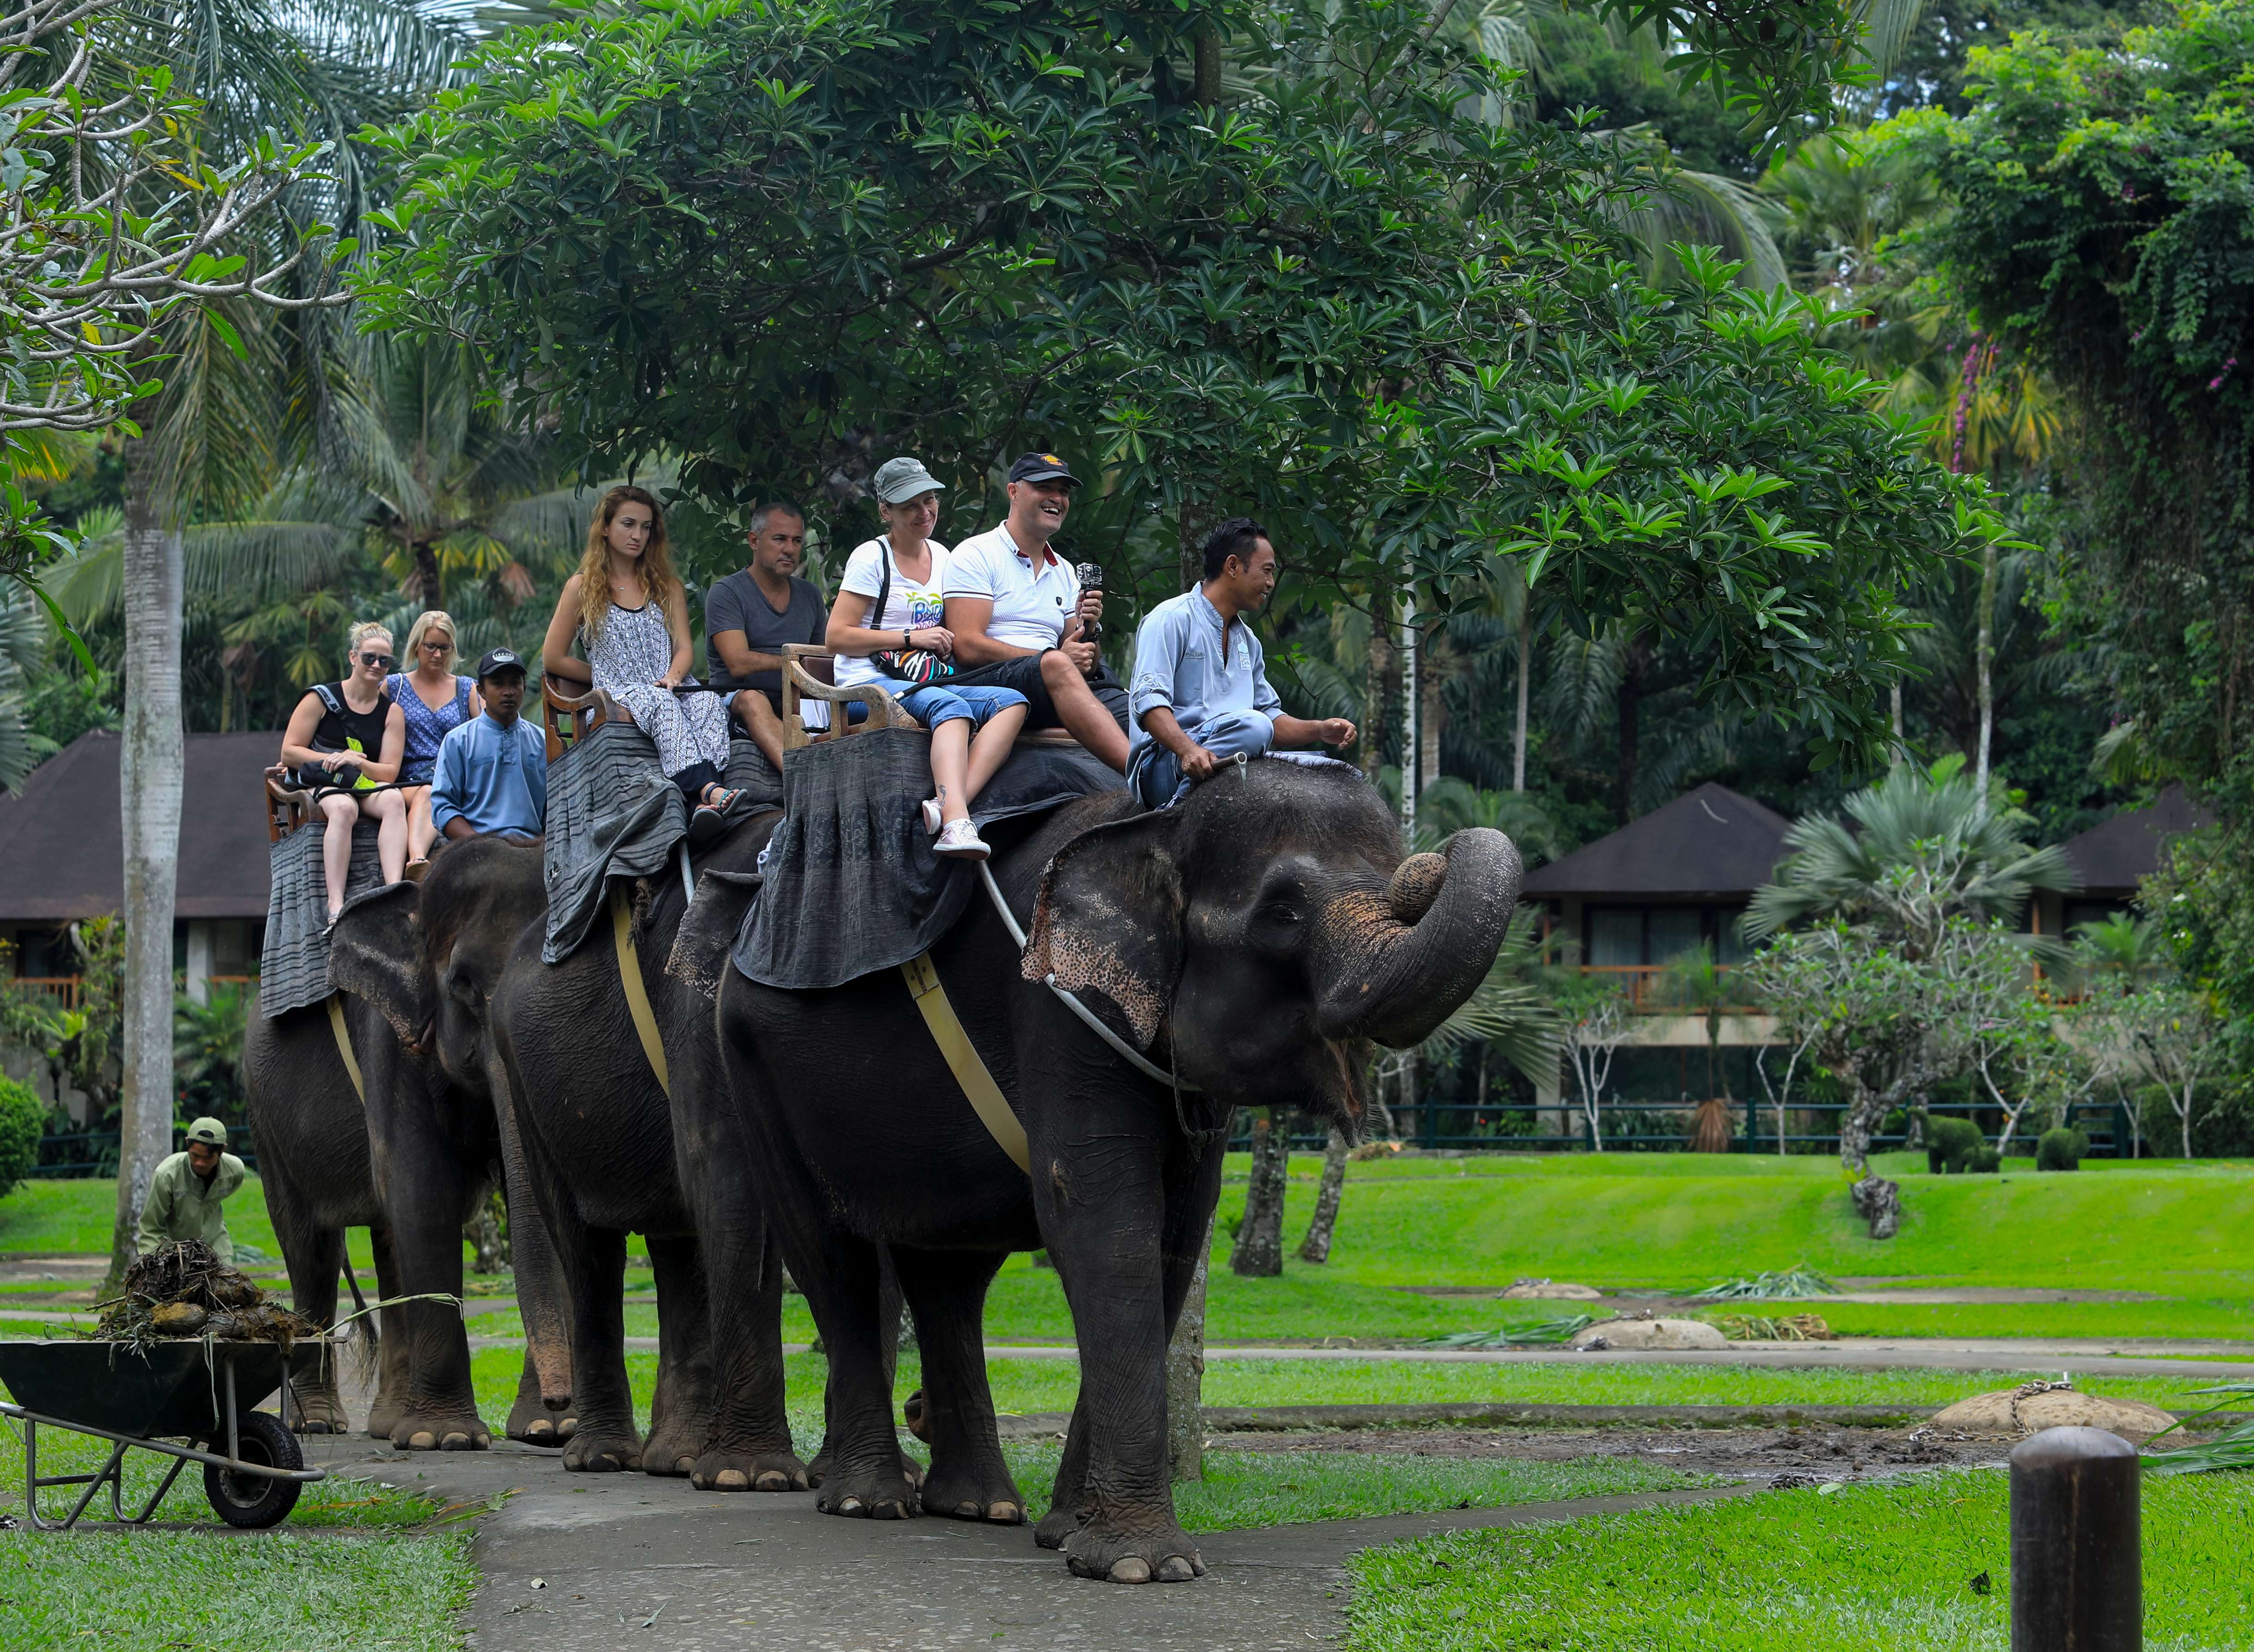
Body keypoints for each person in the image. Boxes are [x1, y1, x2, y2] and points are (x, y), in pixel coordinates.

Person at [826, 456, 1029, 861]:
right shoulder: (872, 557)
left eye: (930, 500)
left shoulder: (943, 556)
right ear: (886, 511)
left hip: (925, 679)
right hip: (865, 685)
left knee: (1011, 703)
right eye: (910, 506)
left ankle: (946, 804)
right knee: (950, 707)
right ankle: (956, 825)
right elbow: (836, 637)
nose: (924, 512)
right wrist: (910, 637)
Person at [542, 485, 742, 838]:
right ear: (606, 528)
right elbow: (553, 658)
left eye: (646, 527)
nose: (637, 535)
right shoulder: (582, 587)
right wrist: (604, 677)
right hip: (619, 696)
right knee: (661, 703)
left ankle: (700, 805)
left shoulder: (667, 586)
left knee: (708, 703)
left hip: (668, 685)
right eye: (628, 524)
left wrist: (673, 676)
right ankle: (709, 790)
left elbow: (685, 648)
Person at [1127, 517, 1358, 810]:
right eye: (1267, 571)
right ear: (1233, 566)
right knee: (1254, 727)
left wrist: (1319, 730)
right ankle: (1177, 810)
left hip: (1229, 758)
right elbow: (1148, 703)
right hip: (1164, 766)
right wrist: (1187, 750)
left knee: (1338, 772)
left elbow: (1269, 717)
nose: (1271, 583)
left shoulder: (1248, 641)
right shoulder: (1170, 618)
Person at [942, 452, 1130, 771]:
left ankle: (1186, 772)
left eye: (1064, 492)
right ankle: (1142, 779)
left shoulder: (1065, 571)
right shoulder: (976, 554)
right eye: (1044, 487)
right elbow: (967, 646)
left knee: (1137, 708)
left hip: (1055, 683)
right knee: (1056, 664)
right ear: (1013, 492)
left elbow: (1084, 661)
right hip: (991, 681)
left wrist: (1090, 630)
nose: (1057, 498)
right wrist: (1051, 659)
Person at [278, 620, 409, 925]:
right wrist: (335, 758)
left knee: (393, 800)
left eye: (384, 661)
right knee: (343, 808)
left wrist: (356, 763)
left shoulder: (391, 712)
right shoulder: (320, 698)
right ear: (353, 657)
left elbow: (389, 773)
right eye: (369, 657)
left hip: (361, 781)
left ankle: (394, 891)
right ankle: (336, 904)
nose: (376, 665)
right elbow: (289, 752)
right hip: (325, 780)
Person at [705, 500, 830, 769]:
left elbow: (822, 662)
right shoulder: (726, 593)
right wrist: (796, 663)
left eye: (797, 541)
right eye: (779, 539)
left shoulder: (810, 595)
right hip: (736, 702)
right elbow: (738, 663)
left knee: (874, 707)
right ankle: (802, 778)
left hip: (800, 701)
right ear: (754, 541)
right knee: (752, 698)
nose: (790, 549)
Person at [388, 609, 481, 867]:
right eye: (431, 646)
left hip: (456, 778)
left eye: (444, 648)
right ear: (417, 646)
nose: (438, 655)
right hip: (410, 780)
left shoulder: (467, 688)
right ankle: (417, 860)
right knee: (430, 793)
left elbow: (486, 732)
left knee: (436, 792)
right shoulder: (394, 687)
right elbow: (361, 717)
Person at [431, 648, 548, 843]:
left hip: (534, 847)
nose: (508, 692)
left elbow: (557, 807)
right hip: (477, 848)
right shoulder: (458, 741)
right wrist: (481, 845)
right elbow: (443, 807)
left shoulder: (543, 742)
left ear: (524, 687)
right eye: (498, 684)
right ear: (481, 691)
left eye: (515, 683)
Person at [136, 1118, 246, 1265]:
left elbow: (225, 1193)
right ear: (187, 1143)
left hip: (216, 1246)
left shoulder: (235, 1170)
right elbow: (151, 1226)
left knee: (226, 1279)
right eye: (195, 1156)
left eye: (208, 1158)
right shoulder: (167, 1175)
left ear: (223, 1150)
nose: (200, 1163)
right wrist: (154, 1262)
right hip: (174, 1251)